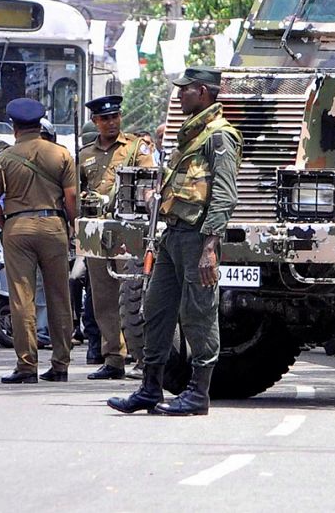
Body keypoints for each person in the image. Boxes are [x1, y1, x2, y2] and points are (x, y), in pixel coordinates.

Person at [110, 68, 242, 416]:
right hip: (173, 235)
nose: (179, 95)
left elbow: (225, 196)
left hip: (198, 238)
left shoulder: (219, 138)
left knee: (198, 314)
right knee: (156, 310)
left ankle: (198, 394)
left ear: (202, 92)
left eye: (185, 90)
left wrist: (211, 248)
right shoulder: (190, 138)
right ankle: (150, 388)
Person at [0, 97, 78, 384]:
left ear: (14, 127)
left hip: (18, 227)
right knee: (59, 296)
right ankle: (61, 365)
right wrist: (72, 225)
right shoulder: (61, 154)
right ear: (40, 124)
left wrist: (7, 225)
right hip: (53, 226)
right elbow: (71, 197)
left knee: (22, 298)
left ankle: (27, 367)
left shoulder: (3, 159)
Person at [79, 94, 156, 381]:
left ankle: (142, 356)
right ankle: (113, 357)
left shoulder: (137, 147)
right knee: (102, 297)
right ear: (94, 121)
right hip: (97, 231)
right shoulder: (85, 154)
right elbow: (78, 190)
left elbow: (149, 181)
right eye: (104, 118)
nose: (111, 123)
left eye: (115, 117)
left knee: (134, 294)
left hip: (130, 228)